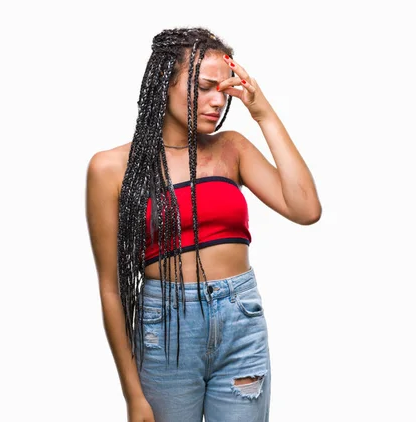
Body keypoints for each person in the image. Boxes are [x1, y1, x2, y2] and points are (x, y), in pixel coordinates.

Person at [85, 26, 321, 422]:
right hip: (167, 329)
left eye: (224, 92)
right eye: (205, 87)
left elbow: (306, 208)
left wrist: (261, 110)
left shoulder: (231, 149)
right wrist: (132, 396)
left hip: (240, 319)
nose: (217, 101)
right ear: (164, 82)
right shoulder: (111, 168)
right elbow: (111, 288)